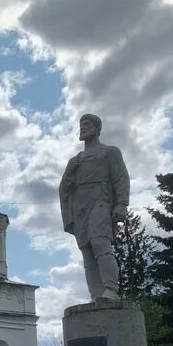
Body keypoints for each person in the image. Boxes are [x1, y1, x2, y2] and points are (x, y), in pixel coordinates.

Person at [59, 113, 130, 302]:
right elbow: (65, 188)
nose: (82, 127)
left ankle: (111, 289)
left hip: (101, 200)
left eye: (87, 123)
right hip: (80, 205)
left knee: (100, 243)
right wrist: (69, 171)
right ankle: (96, 295)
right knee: (87, 251)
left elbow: (121, 178)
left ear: (97, 128)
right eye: (81, 124)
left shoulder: (109, 152)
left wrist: (122, 203)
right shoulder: (76, 160)